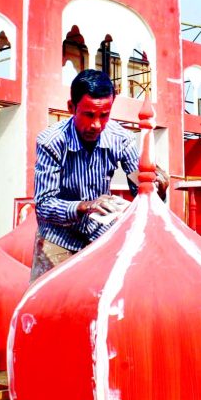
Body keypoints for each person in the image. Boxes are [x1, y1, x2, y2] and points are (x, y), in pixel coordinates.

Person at [31, 69, 168, 281]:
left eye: (104, 115)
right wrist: (85, 205)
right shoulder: (51, 142)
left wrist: (158, 186)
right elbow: (44, 205)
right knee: (50, 305)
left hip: (101, 235)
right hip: (58, 238)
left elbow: (139, 188)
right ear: (71, 108)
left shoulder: (121, 139)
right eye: (89, 114)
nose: (96, 125)